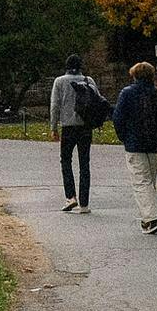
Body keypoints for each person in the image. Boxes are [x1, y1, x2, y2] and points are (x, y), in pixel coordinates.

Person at [112, 61, 157, 234]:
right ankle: (147, 218)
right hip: (154, 143)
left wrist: (123, 137)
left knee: (141, 182)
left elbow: (118, 118)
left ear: (134, 76)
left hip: (134, 143)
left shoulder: (127, 93)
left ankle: (152, 217)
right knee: (149, 182)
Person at [47, 54, 101, 213]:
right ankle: (84, 203)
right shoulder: (88, 81)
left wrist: (53, 127)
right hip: (85, 127)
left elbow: (54, 105)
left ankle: (70, 197)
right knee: (84, 163)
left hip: (68, 126)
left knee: (66, 161)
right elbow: (97, 101)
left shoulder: (59, 82)